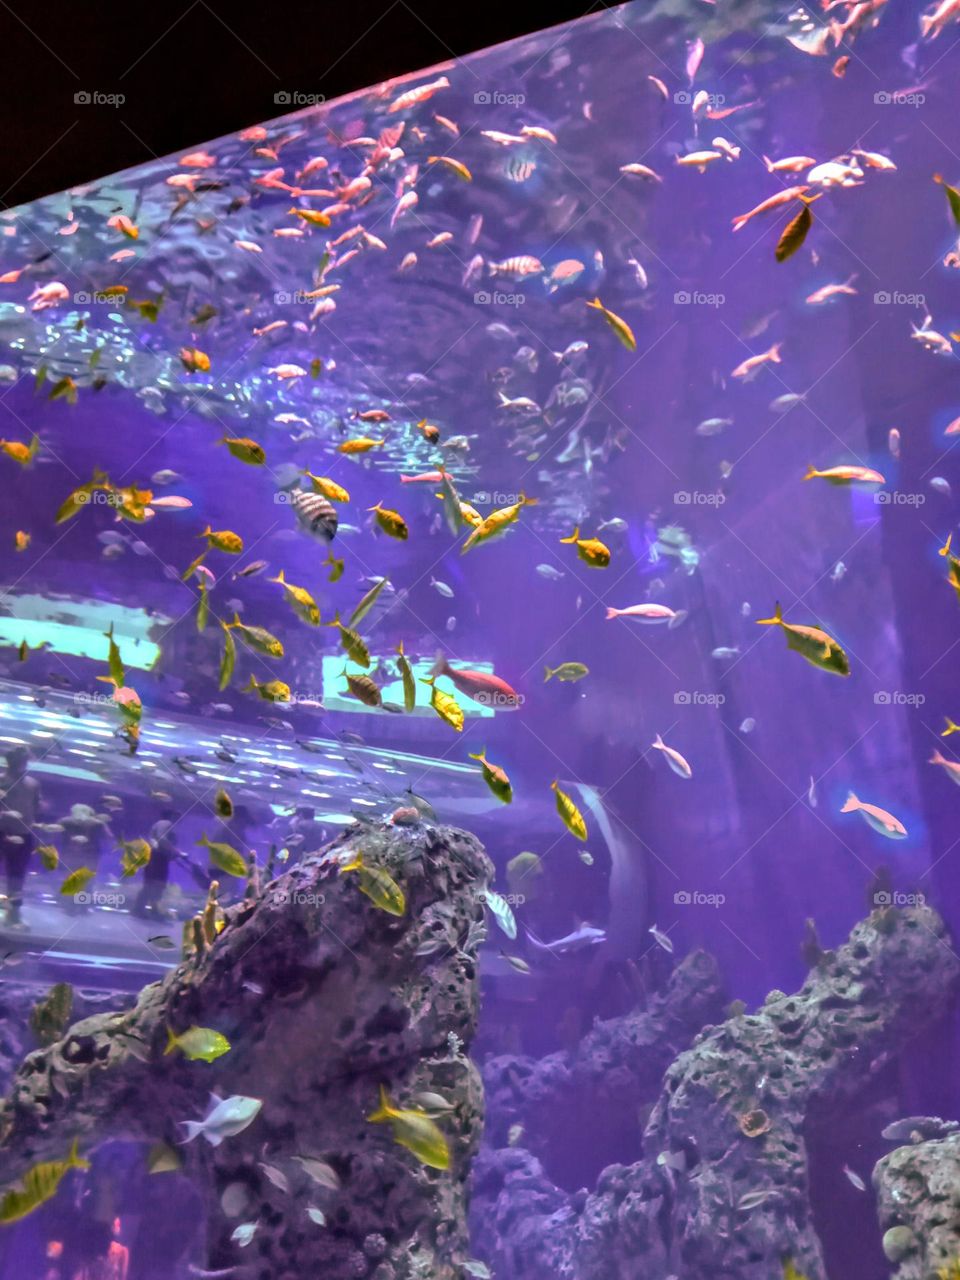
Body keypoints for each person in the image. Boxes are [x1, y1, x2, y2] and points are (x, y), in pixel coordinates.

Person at [0, 745, 41, 928]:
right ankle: (13, 914)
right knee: (16, 876)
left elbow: (35, 807)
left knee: (17, 876)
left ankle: (13, 914)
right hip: (3, 831)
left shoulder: (33, 784)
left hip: (24, 834)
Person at [133, 810, 180, 919]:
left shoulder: (160, 824)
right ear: (171, 815)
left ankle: (144, 909)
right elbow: (161, 838)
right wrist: (174, 851)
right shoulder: (166, 823)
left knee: (151, 884)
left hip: (154, 857)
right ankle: (146, 910)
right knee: (156, 885)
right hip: (158, 858)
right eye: (177, 816)